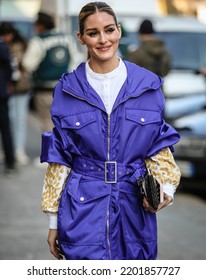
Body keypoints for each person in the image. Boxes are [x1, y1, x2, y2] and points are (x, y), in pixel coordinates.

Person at [40, 1, 181, 260]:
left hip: (134, 210)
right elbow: (59, 159)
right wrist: (53, 221)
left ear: (119, 31)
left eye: (109, 30)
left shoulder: (147, 86)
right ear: (81, 38)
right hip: (81, 208)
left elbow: (160, 151)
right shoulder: (67, 89)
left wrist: (165, 192)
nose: (103, 40)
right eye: (93, 33)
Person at [22, 11, 81, 133]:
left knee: (48, 124)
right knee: (64, 124)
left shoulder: (38, 41)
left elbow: (28, 64)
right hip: (65, 88)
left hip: (44, 89)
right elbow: (76, 60)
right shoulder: (67, 38)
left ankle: (52, 151)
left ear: (40, 25)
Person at [0, 22, 32, 166]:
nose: (7, 37)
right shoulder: (6, 46)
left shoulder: (20, 45)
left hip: (20, 87)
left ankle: (18, 150)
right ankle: (10, 150)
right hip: (9, 88)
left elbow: (22, 65)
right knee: (10, 120)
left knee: (19, 120)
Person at [0, 27, 16, 174]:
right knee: (5, 128)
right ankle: (10, 162)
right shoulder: (2, 46)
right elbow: (10, 67)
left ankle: (10, 161)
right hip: (1, 92)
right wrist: (8, 82)